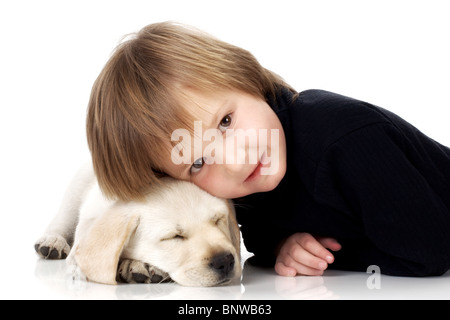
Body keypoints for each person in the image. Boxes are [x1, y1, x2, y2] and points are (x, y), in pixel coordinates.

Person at [86, 22, 450, 277]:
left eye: (225, 122)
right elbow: (258, 235)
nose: (234, 160)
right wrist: (284, 245)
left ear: (247, 78)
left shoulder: (344, 140)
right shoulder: (253, 185)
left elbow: (431, 251)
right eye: (197, 162)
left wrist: (333, 257)